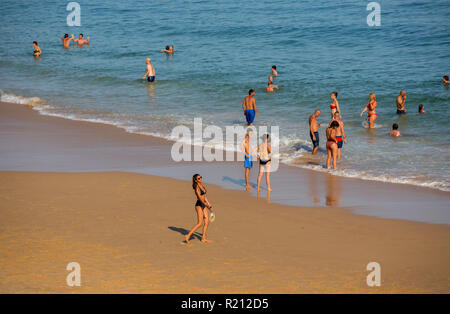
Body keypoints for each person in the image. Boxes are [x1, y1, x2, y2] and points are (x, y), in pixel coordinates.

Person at [185, 174, 213, 243]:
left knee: (207, 221)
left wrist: (209, 204)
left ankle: (203, 238)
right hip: (199, 205)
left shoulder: (202, 186)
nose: (200, 179)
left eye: (201, 177)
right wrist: (207, 206)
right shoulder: (197, 188)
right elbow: (201, 199)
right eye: (198, 178)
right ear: (196, 180)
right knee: (200, 223)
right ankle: (188, 235)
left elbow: (205, 197)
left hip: (204, 205)